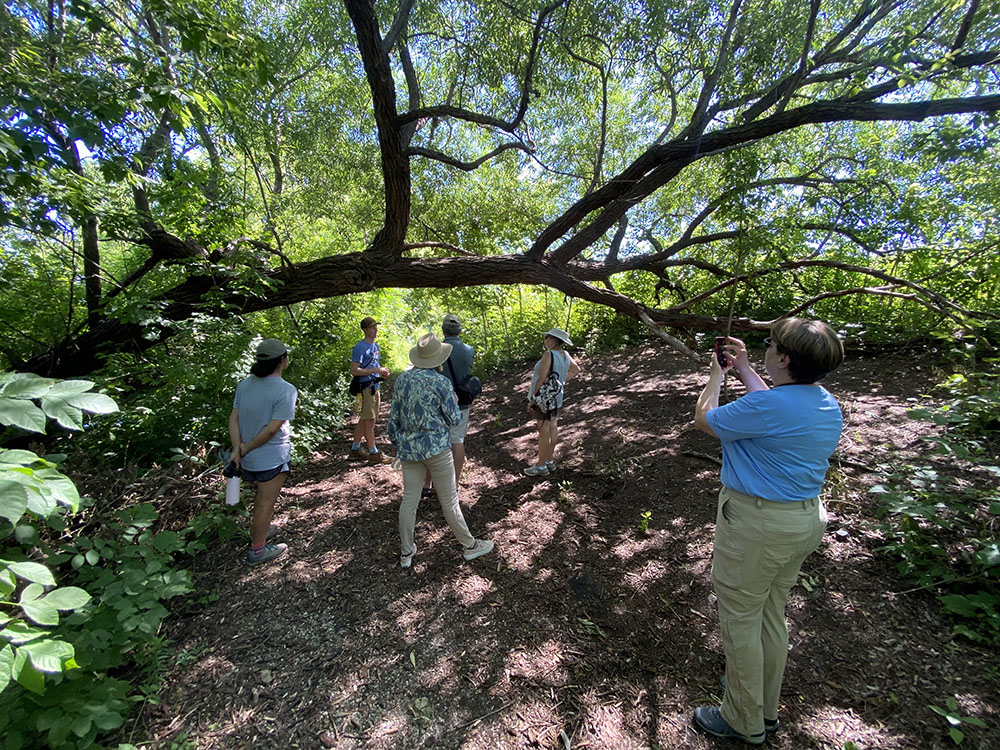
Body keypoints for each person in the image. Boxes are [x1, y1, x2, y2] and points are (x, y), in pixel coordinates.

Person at [691, 317, 845, 745]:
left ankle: (743, 720)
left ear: (783, 358)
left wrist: (716, 375)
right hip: (801, 521)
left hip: (758, 525)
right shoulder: (824, 402)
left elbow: (706, 418)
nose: (765, 348)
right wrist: (741, 367)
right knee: (769, 614)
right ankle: (765, 708)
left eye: (771, 344)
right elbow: (771, 407)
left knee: (740, 617)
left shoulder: (773, 407)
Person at [387, 333, 494, 569]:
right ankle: (469, 546)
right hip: (437, 449)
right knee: (449, 500)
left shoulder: (402, 381)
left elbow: (393, 419)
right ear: (438, 359)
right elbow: (454, 419)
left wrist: (399, 444)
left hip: (410, 451)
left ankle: (406, 552)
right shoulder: (441, 383)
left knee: (409, 500)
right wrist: (454, 402)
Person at [228, 338, 298, 565]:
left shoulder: (244, 385)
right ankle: (257, 550)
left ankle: (262, 528)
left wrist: (237, 448)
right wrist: (245, 447)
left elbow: (234, 418)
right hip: (270, 456)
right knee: (265, 502)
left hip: (247, 457)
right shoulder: (286, 390)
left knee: (260, 501)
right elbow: (271, 430)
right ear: (281, 361)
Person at [421, 313, 475, 498]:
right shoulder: (469, 350)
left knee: (434, 441)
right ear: (459, 329)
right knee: (457, 440)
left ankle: (427, 484)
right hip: (461, 400)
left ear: (443, 330)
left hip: (437, 402)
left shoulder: (438, 350)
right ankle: (454, 484)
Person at [523, 328, 580, 477]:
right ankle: (549, 461)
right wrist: (560, 383)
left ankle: (541, 466)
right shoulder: (565, 355)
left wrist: (534, 398)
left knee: (543, 431)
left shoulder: (549, 355)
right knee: (552, 427)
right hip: (556, 397)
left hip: (543, 398)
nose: (545, 340)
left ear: (554, 340)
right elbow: (575, 370)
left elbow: (541, 378)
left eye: (547, 337)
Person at [349, 316, 392, 465]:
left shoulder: (375, 346)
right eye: (372, 327)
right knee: (369, 420)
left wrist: (381, 372)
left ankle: (355, 449)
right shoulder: (360, 347)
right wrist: (376, 370)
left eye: (376, 327)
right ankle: (373, 452)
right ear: (365, 330)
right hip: (366, 388)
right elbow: (354, 370)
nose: (376, 330)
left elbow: (374, 366)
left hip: (375, 386)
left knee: (367, 418)